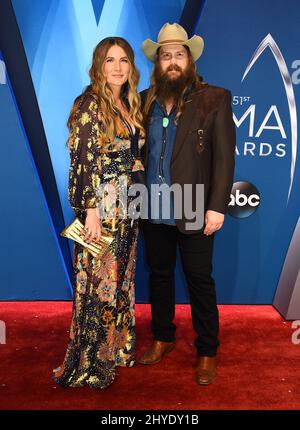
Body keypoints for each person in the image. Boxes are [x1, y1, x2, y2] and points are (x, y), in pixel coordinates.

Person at [138, 23, 236, 385]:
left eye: (180, 54)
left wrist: (217, 206)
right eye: (167, 56)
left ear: (190, 60)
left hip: (195, 204)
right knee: (159, 276)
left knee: (199, 280)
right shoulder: (144, 99)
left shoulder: (215, 98)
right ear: (158, 63)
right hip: (151, 205)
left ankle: (207, 350)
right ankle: (163, 337)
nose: (173, 61)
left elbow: (225, 159)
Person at [53, 37, 145, 389]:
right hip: (102, 210)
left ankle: (115, 348)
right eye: (110, 60)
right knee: (97, 285)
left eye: (124, 60)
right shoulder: (90, 104)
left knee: (120, 281)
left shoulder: (126, 104)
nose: (118, 67)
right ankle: (90, 361)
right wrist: (89, 210)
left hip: (128, 208)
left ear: (131, 67)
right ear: (98, 66)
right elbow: (82, 163)